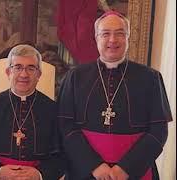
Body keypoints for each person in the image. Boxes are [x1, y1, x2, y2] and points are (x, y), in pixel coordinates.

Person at [58, 11, 172, 180]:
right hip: (84, 171)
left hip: (135, 172)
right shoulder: (75, 77)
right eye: (105, 34)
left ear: (128, 38)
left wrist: (126, 168)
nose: (112, 40)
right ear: (96, 38)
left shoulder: (150, 78)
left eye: (120, 33)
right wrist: (94, 166)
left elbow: (158, 131)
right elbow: (65, 126)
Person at [0, 44, 64, 180]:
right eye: (18, 67)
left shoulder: (52, 109)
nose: (24, 74)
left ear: (39, 74)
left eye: (31, 68)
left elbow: (62, 154)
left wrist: (39, 174)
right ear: (8, 72)